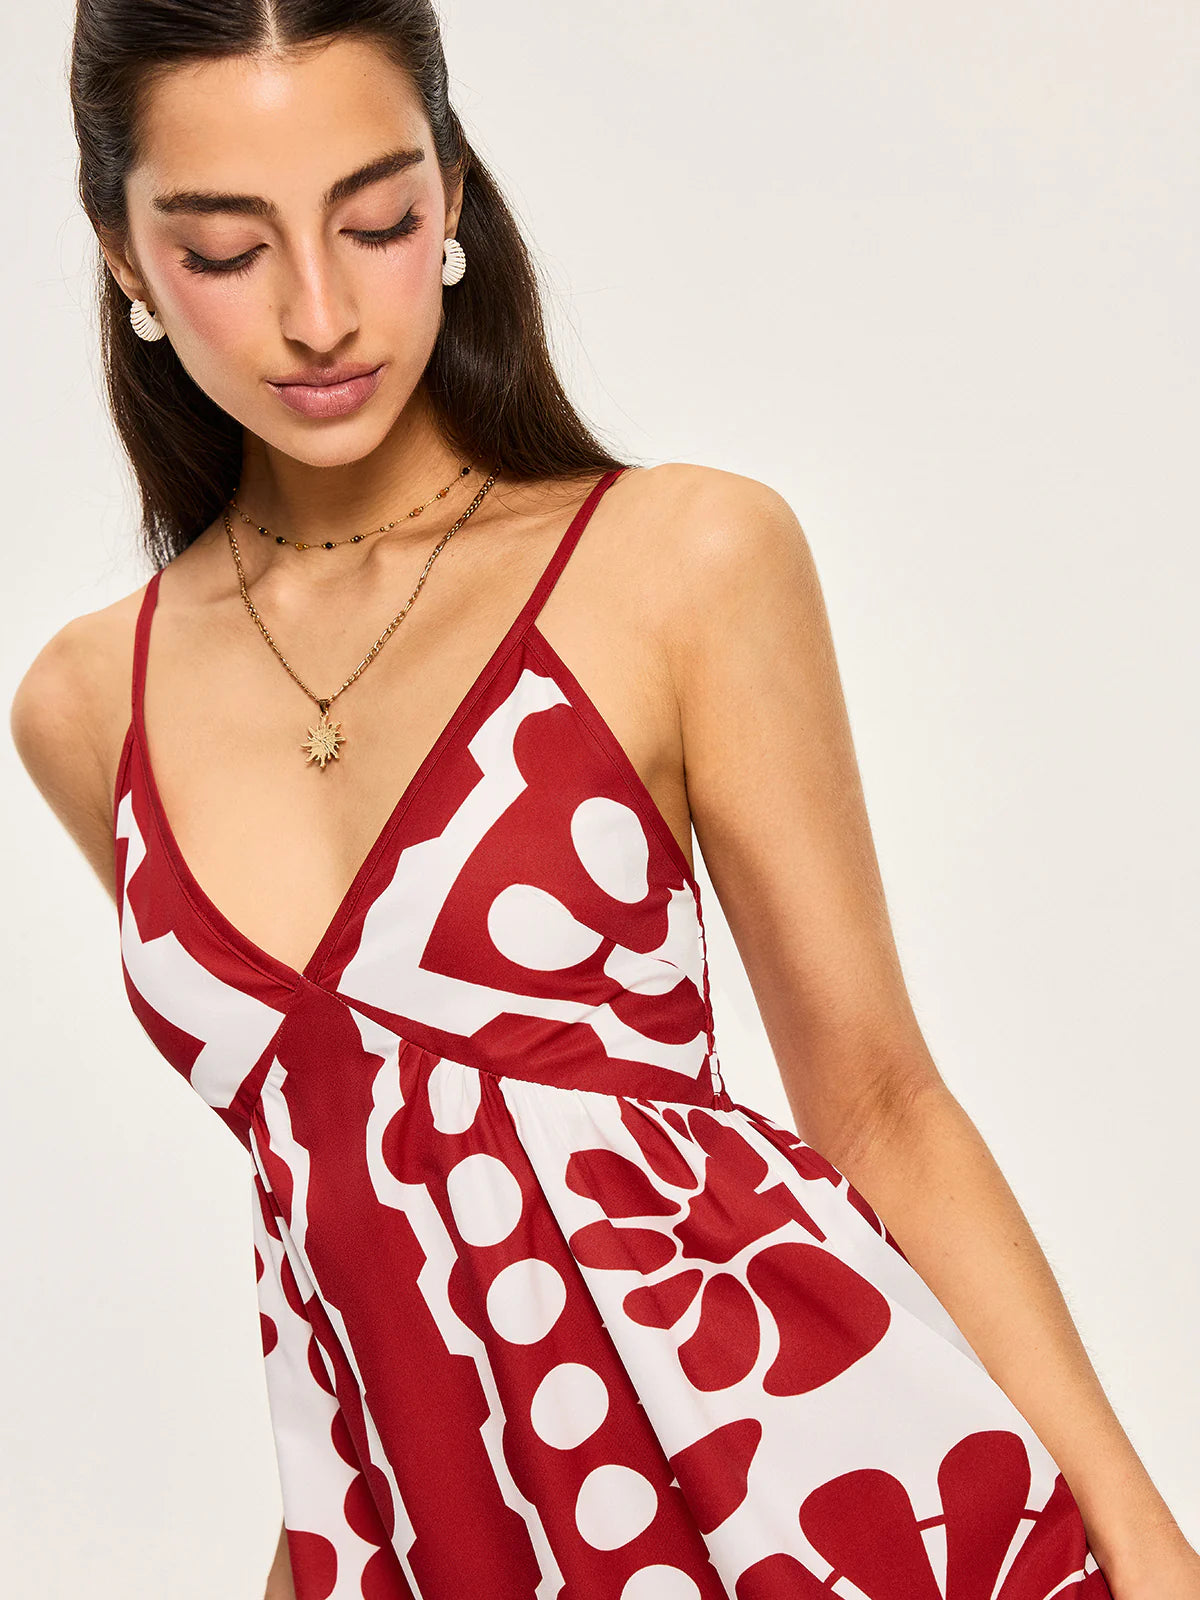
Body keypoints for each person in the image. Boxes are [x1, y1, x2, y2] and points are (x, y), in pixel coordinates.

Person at [9, 4, 1195, 1599]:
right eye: (226, 250)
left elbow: (878, 1105)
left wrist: (1152, 1552)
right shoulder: (89, 705)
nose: (318, 313)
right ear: (127, 259)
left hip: (801, 1502)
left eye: (376, 221)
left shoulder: (678, 561)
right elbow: (339, 1237)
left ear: (450, 195)